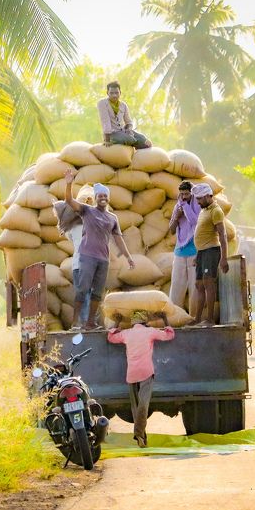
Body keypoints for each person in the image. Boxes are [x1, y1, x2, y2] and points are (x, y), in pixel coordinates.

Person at [64, 169, 135, 330]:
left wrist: (129, 257)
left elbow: (118, 239)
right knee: (82, 289)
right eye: (100, 196)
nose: (102, 198)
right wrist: (69, 183)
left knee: (97, 292)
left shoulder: (112, 218)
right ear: (95, 198)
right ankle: (75, 323)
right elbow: (69, 200)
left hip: (103, 259)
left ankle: (90, 322)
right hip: (87, 256)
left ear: (108, 198)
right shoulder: (87, 211)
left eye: (105, 196)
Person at [107, 313, 175, 447]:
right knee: (143, 405)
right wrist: (165, 319)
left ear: (133, 323)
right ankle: (139, 434)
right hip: (146, 372)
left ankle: (141, 437)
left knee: (136, 407)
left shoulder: (127, 333)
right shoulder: (150, 332)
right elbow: (169, 335)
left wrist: (117, 322)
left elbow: (111, 337)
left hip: (131, 374)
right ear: (145, 322)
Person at [54, 187, 94, 326]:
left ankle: (83, 324)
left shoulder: (71, 229)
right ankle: (88, 323)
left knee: (83, 295)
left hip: (77, 265)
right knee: (90, 295)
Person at [190, 184, 229, 326]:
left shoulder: (216, 211)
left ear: (208, 196)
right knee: (199, 285)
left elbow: (223, 235)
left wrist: (224, 258)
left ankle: (210, 319)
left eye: (200, 199)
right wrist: (197, 255)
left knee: (208, 283)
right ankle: (198, 318)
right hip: (202, 253)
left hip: (212, 251)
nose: (198, 202)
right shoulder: (204, 210)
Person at [168, 181, 201, 314]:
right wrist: (177, 216)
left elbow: (195, 222)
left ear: (192, 194)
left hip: (195, 251)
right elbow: (171, 230)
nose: (184, 197)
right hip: (180, 252)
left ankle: (194, 318)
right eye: (182, 194)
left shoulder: (198, 206)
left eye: (186, 194)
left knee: (195, 288)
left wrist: (186, 208)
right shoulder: (178, 207)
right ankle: (174, 316)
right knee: (176, 286)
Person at [96, 81, 152, 149]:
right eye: (111, 93)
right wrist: (107, 141)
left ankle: (137, 144)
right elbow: (105, 122)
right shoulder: (102, 103)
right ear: (107, 93)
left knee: (146, 142)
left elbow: (129, 122)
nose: (114, 95)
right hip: (112, 134)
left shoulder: (123, 105)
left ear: (120, 93)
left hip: (124, 131)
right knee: (129, 139)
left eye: (116, 93)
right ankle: (134, 143)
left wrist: (129, 129)